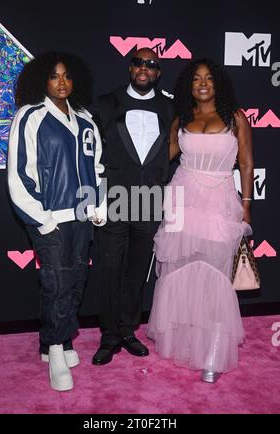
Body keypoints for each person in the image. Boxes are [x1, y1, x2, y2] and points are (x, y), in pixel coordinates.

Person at [147, 58, 254, 383]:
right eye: (196, 79)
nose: (203, 83)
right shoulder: (181, 119)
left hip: (220, 200)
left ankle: (213, 352)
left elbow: (246, 165)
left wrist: (246, 205)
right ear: (188, 86)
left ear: (218, 83)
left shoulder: (236, 119)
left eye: (208, 78)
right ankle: (180, 341)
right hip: (182, 197)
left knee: (217, 277)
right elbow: (161, 156)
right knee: (179, 270)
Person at [7, 52, 106, 391]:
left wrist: (99, 204)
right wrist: (41, 218)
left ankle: (59, 342)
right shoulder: (30, 116)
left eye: (66, 76)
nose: (61, 82)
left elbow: (97, 168)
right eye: (53, 76)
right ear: (42, 81)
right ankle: (55, 349)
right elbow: (19, 172)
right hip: (49, 218)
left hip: (82, 216)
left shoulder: (85, 119)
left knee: (76, 282)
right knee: (57, 285)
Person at [92, 48, 174, 365]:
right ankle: (109, 335)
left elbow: (172, 150)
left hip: (150, 199)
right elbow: (91, 155)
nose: (144, 68)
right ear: (130, 68)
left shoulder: (169, 108)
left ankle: (128, 330)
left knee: (137, 271)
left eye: (151, 64)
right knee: (110, 269)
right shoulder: (105, 103)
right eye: (139, 62)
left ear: (158, 73)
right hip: (112, 197)